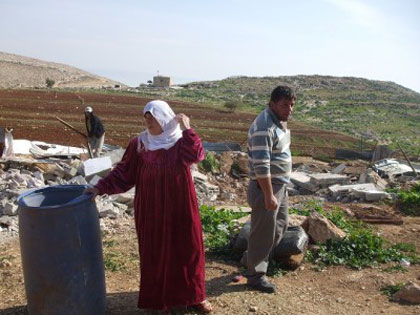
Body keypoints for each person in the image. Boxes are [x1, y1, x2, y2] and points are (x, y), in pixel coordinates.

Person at [84, 100, 212, 313]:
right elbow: (124, 172)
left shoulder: (180, 141)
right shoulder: (140, 143)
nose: (148, 121)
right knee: (155, 254)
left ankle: (195, 297)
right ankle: (161, 302)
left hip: (180, 207)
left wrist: (187, 127)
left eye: (152, 116)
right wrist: (99, 187)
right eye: (146, 117)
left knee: (189, 250)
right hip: (151, 208)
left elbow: (196, 155)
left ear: (164, 117)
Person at [243, 86, 296, 293]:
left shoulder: (279, 122)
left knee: (280, 225)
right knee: (263, 232)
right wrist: (268, 195)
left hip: (278, 185)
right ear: (272, 103)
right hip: (266, 187)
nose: (289, 109)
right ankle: (256, 276)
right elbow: (261, 165)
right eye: (285, 105)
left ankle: (251, 259)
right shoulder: (265, 126)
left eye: (292, 105)